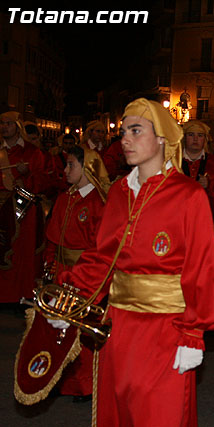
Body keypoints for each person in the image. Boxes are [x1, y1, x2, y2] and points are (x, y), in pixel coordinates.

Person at [51, 98, 214, 426]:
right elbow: (103, 258)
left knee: (160, 413)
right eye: (123, 132)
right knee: (118, 409)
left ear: (161, 137)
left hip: (167, 328)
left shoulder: (188, 195)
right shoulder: (118, 191)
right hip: (118, 326)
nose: (124, 140)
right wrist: (70, 300)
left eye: (135, 130)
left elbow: (203, 269)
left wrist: (193, 335)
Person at [44, 145, 110, 400]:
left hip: (84, 274)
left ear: (88, 168)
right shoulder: (64, 197)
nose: (65, 170)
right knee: (57, 330)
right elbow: (53, 238)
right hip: (61, 271)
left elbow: (100, 246)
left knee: (81, 330)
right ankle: (59, 380)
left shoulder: (98, 203)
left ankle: (85, 386)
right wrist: (50, 265)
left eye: (71, 164)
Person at [181, 119, 214, 319]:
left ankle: (208, 312)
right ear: (184, 138)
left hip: (209, 226)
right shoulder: (174, 162)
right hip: (180, 228)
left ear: (206, 140)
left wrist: (209, 185)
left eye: (200, 136)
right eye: (191, 135)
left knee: (209, 272)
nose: (195, 140)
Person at [0, 111, 49, 303]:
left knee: (20, 253)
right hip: (1, 206)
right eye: (2, 123)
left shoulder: (32, 152)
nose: (4, 127)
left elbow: (44, 181)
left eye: (9, 124)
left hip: (23, 209)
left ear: (18, 126)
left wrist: (27, 174)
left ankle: (19, 295)